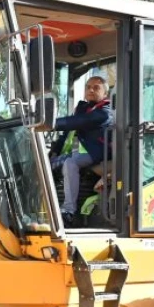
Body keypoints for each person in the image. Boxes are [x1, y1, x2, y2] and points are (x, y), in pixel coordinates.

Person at [46, 76, 113, 227]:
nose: (90, 90)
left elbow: (78, 122)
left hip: (96, 154)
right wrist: (54, 152)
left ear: (105, 94)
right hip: (77, 153)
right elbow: (67, 132)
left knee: (70, 163)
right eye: (88, 87)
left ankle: (68, 211)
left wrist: (48, 123)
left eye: (96, 88)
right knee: (44, 165)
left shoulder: (104, 112)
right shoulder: (83, 109)